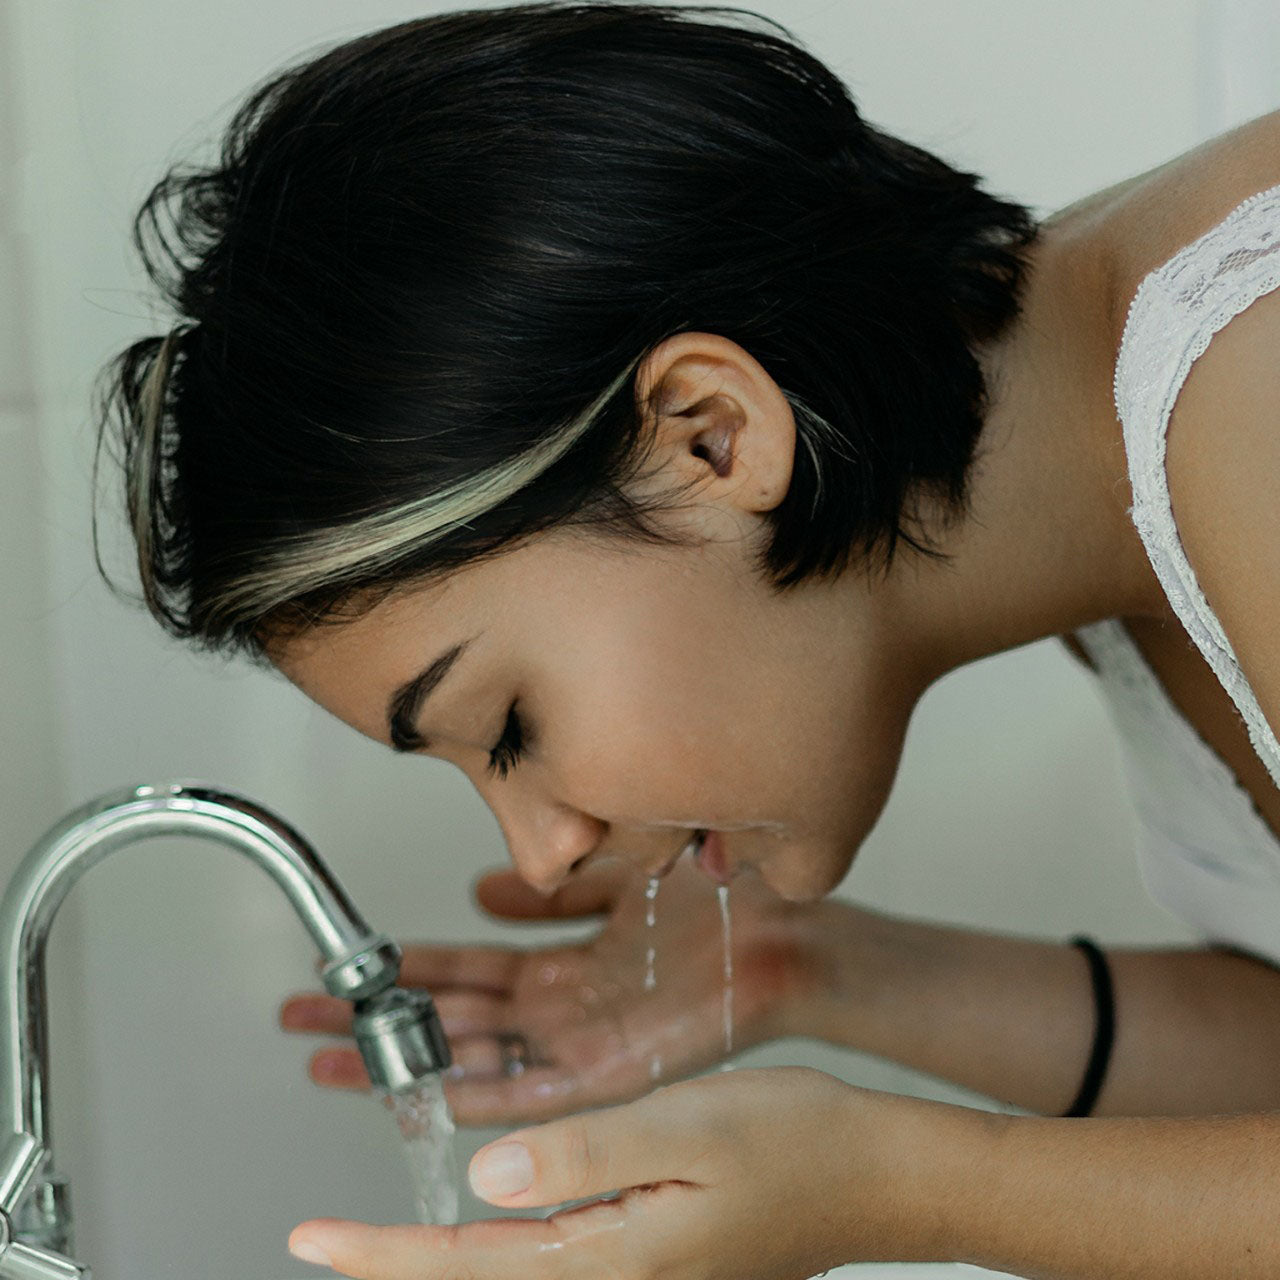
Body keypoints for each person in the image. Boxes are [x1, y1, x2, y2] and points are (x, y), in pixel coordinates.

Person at [93, 2, 1280, 1276]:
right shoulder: (1098, 478)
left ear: (710, 435)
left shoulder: (1250, 378)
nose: (545, 855)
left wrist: (897, 1183)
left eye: (507, 727)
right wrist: (810, 971)